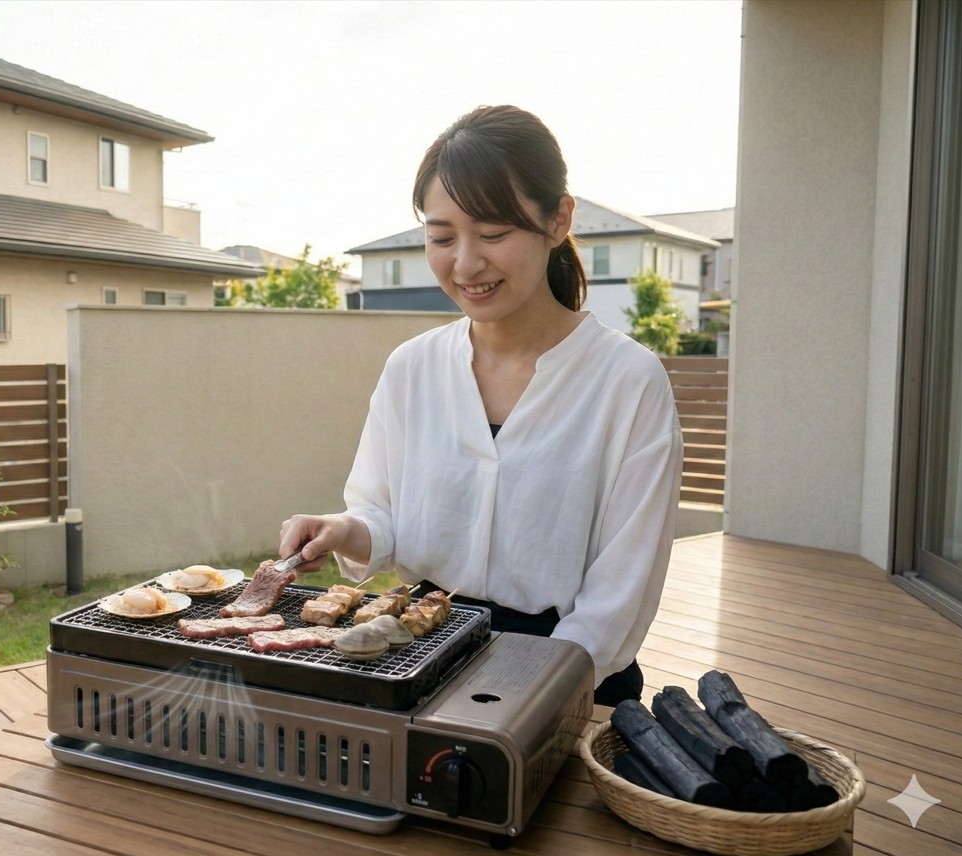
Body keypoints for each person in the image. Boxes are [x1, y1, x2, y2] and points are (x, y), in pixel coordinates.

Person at [279, 105, 682, 707]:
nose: (465, 263)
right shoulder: (411, 369)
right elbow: (389, 519)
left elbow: (620, 592)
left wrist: (528, 691)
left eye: (493, 234)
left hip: (571, 676)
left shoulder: (628, 380)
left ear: (558, 220)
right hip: (419, 654)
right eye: (441, 237)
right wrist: (346, 530)